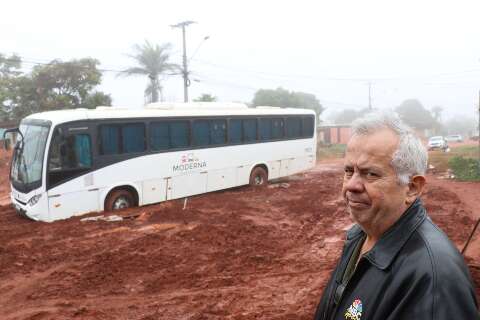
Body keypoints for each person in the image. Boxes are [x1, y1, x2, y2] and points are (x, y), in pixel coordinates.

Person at [313, 110, 479, 320]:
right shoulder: (360, 236)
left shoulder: (434, 280)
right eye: (348, 171)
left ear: (411, 187)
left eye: (370, 174)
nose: (351, 185)